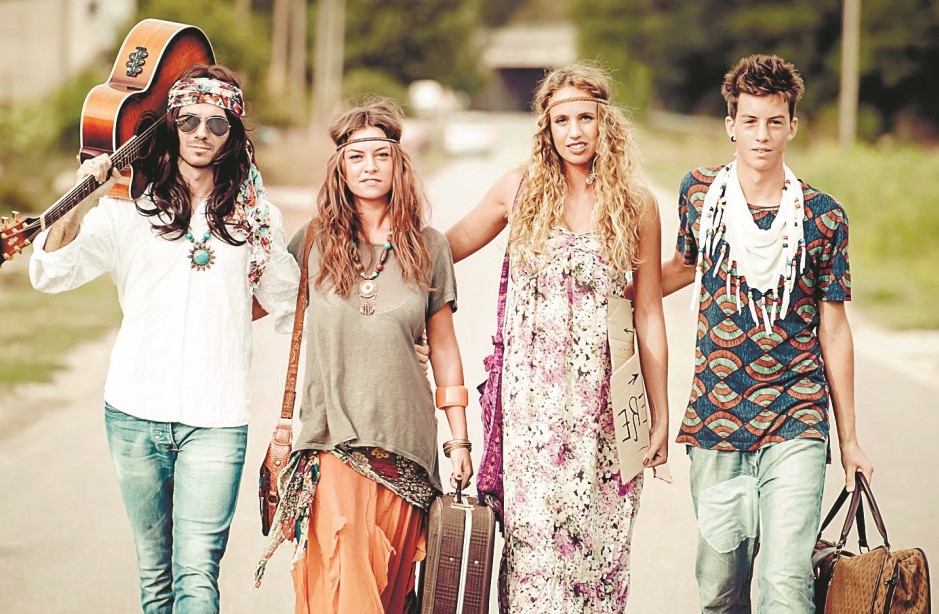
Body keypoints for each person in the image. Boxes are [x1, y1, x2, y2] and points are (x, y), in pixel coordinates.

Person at [29, 64, 300, 613]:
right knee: (155, 578)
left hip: (217, 418)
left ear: (233, 135)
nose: (202, 131)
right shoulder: (126, 213)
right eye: (190, 118)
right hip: (133, 411)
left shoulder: (257, 220)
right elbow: (49, 272)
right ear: (171, 124)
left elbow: (292, 304)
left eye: (217, 123)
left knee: (196, 571)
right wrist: (84, 194)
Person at [445, 63, 670, 611]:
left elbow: (648, 312)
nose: (575, 131)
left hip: (606, 414)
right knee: (537, 560)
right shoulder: (517, 191)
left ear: (605, 123)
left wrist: (659, 413)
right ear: (546, 127)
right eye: (562, 119)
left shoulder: (635, 204)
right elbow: (439, 254)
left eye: (586, 118)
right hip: (533, 419)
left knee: (600, 558)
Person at [662, 54, 874, 612]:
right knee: (721, 592)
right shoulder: (700, 195)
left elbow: (834, 327)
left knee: (786, 587)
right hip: (716, 419)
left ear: (792, 126)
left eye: (774, 122)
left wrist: (849, 439)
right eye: (750, 121)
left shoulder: (824, 217)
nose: (762, 135)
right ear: (731, 124)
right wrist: (608, 287)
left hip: (796, 416)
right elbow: (685, 266)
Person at [255, 98, 472, 614]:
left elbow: (443, 348)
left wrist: (459, 438)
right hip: (332, 440)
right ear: (340, 168)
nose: (370, 167)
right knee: (340, 580)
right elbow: (246, 306)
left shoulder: (429, 247)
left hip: (406, 445)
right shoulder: (311, 244)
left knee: (390, 594)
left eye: (381, 155)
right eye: (357, 157)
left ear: (400, 164)